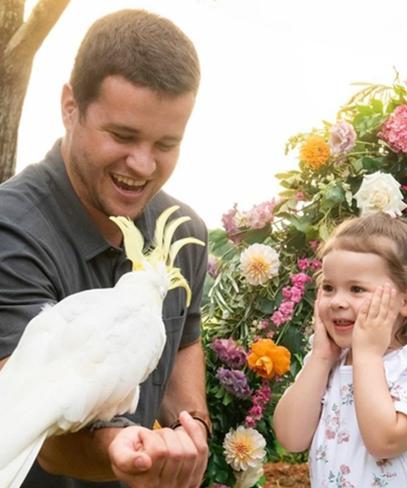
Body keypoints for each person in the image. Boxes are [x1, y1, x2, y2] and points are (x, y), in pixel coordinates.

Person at [0, 9, 210, 488]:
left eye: (166, 143)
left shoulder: (184, 235)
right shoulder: (9, 233)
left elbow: (184, 348)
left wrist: (191, 429)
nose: (142, 164)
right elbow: (27, 419)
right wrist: (117, 449)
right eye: (122, 135)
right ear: (70, 106)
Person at [273, 213, 407, 487]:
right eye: (328, 287)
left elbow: (385, 441)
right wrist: (320, 358)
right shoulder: (329, 361)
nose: (338, 301)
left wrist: (367, 355)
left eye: (356, 289)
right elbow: (291, 437)